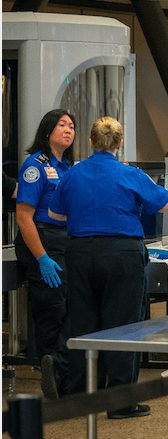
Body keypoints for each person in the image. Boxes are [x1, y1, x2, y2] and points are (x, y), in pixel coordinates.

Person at [48, 116, 168, 418]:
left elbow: (54, 213)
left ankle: (80, 396)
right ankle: (120, 402)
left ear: (89, 142)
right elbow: (164, 203)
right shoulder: (130, 173)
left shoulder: (73, 175)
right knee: (124, 326)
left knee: (82, 323)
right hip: (122, 254)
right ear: (119, 143)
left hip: (79, 253)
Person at [14, 109, 76, 399]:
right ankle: (51, 373)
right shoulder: (34, 166)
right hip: (40, 239)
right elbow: (24, 217)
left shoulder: (68, 168)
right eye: (62, 124)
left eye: (72, 126)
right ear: (47, 130)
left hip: (64, 241)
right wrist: (41, 258)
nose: (68, 129)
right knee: (52, 307)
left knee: (69, 305)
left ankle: (62, 372)